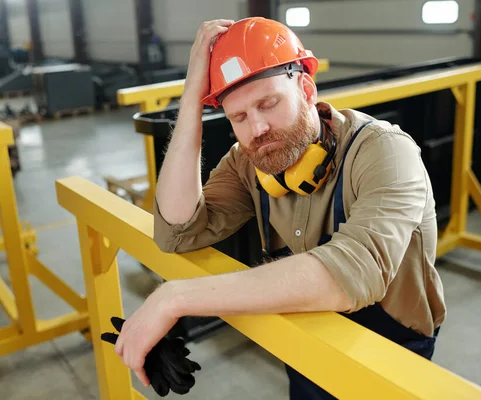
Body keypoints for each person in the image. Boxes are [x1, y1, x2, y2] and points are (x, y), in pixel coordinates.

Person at [111, 17, 447, 399]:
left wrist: (174, 298)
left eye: (268, 104)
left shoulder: (383, 150)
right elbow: (176, 231)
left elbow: (357, 270)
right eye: (238, 116)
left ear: (306, 88)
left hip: (390, 354)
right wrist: (191, 99)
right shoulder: (247, 162)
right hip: (304, 342)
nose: (257, 129)